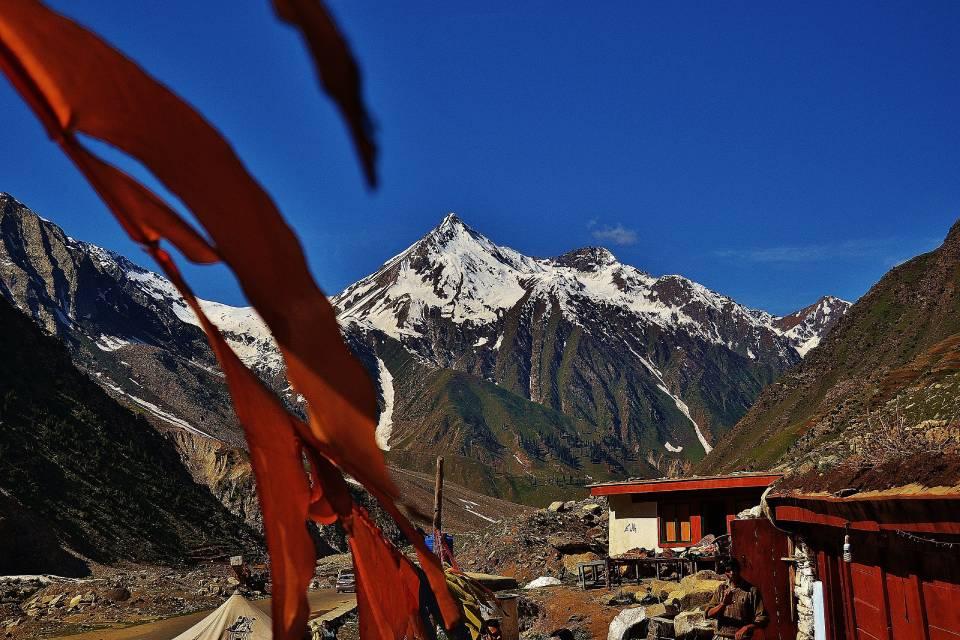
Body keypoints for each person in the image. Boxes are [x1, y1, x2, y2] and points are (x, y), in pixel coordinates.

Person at [705, 558, 768, 640]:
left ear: (739, 569)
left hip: (741, 638)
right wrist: (723, 604)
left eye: (734, 569)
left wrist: (746, 628)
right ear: (725, 572)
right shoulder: (721, 589)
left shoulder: (751, 591)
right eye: (728, 570)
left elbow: (763, 618)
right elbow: (708, 614)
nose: (732, 573)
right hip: (721, 636)